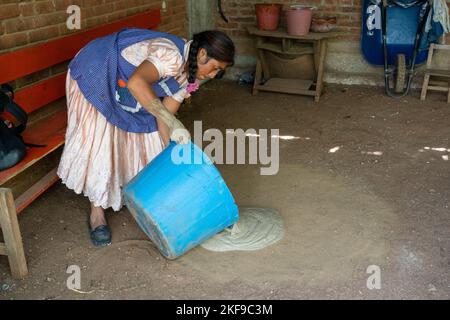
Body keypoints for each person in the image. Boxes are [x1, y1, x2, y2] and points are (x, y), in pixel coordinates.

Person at [57, 28, 235, 246]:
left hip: (122, 85)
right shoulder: (170, 55)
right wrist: (173, 123)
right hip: (97, 70)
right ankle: (97, 214)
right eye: (214, 68)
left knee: (148, 133)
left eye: (219, 72)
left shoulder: (188, 78)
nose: (213, 75)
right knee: (101, 141)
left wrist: (175, 155)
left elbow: (163, 118)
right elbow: (137, 83)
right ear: (202, 54)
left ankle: (141, 195)